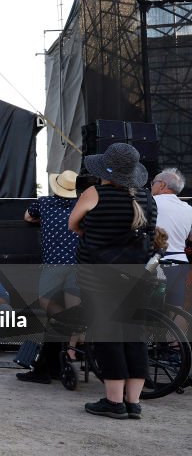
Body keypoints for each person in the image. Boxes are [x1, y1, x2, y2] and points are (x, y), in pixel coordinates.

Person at [70, 143, 157, 420]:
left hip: (100, 276)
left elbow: (74, 225)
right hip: (138, 276)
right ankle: (134, 403)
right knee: (134, 336)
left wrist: (95, 232)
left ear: (105, 171)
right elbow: (150, 232)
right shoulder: (146, 197)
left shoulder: (93, 193)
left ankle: (114, 401)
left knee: (109, 336)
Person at [18, 170, 81, 383]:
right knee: (75, 310)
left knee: (47, 303)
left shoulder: (43, 203)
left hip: (54, 263)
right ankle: (70, 351)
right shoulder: (81, 204)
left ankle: (58, 327)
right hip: (78, 263)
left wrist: (43, 221)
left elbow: (27, 216)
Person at [151, 168, 192, 310]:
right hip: (181, 262)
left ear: (161, 184)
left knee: (144, 308)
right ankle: (177, 333)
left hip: (158, 263)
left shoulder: (150, 202)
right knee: (176, 308)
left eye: (153, 183)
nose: (151, 186)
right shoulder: (188, 208)